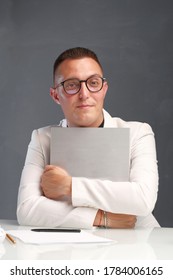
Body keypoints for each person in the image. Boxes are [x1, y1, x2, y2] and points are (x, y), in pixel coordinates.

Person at [17, 47, 160, 228]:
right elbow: (27, 210)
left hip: (141, 242)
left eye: (93, 83)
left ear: (104, 89)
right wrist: (102, 218)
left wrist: (69, 186)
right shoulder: (42, 138)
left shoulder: (138, 133)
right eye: (71, 85)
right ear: (55, 95)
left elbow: (143, 199)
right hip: (71, 249)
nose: (84, 94)